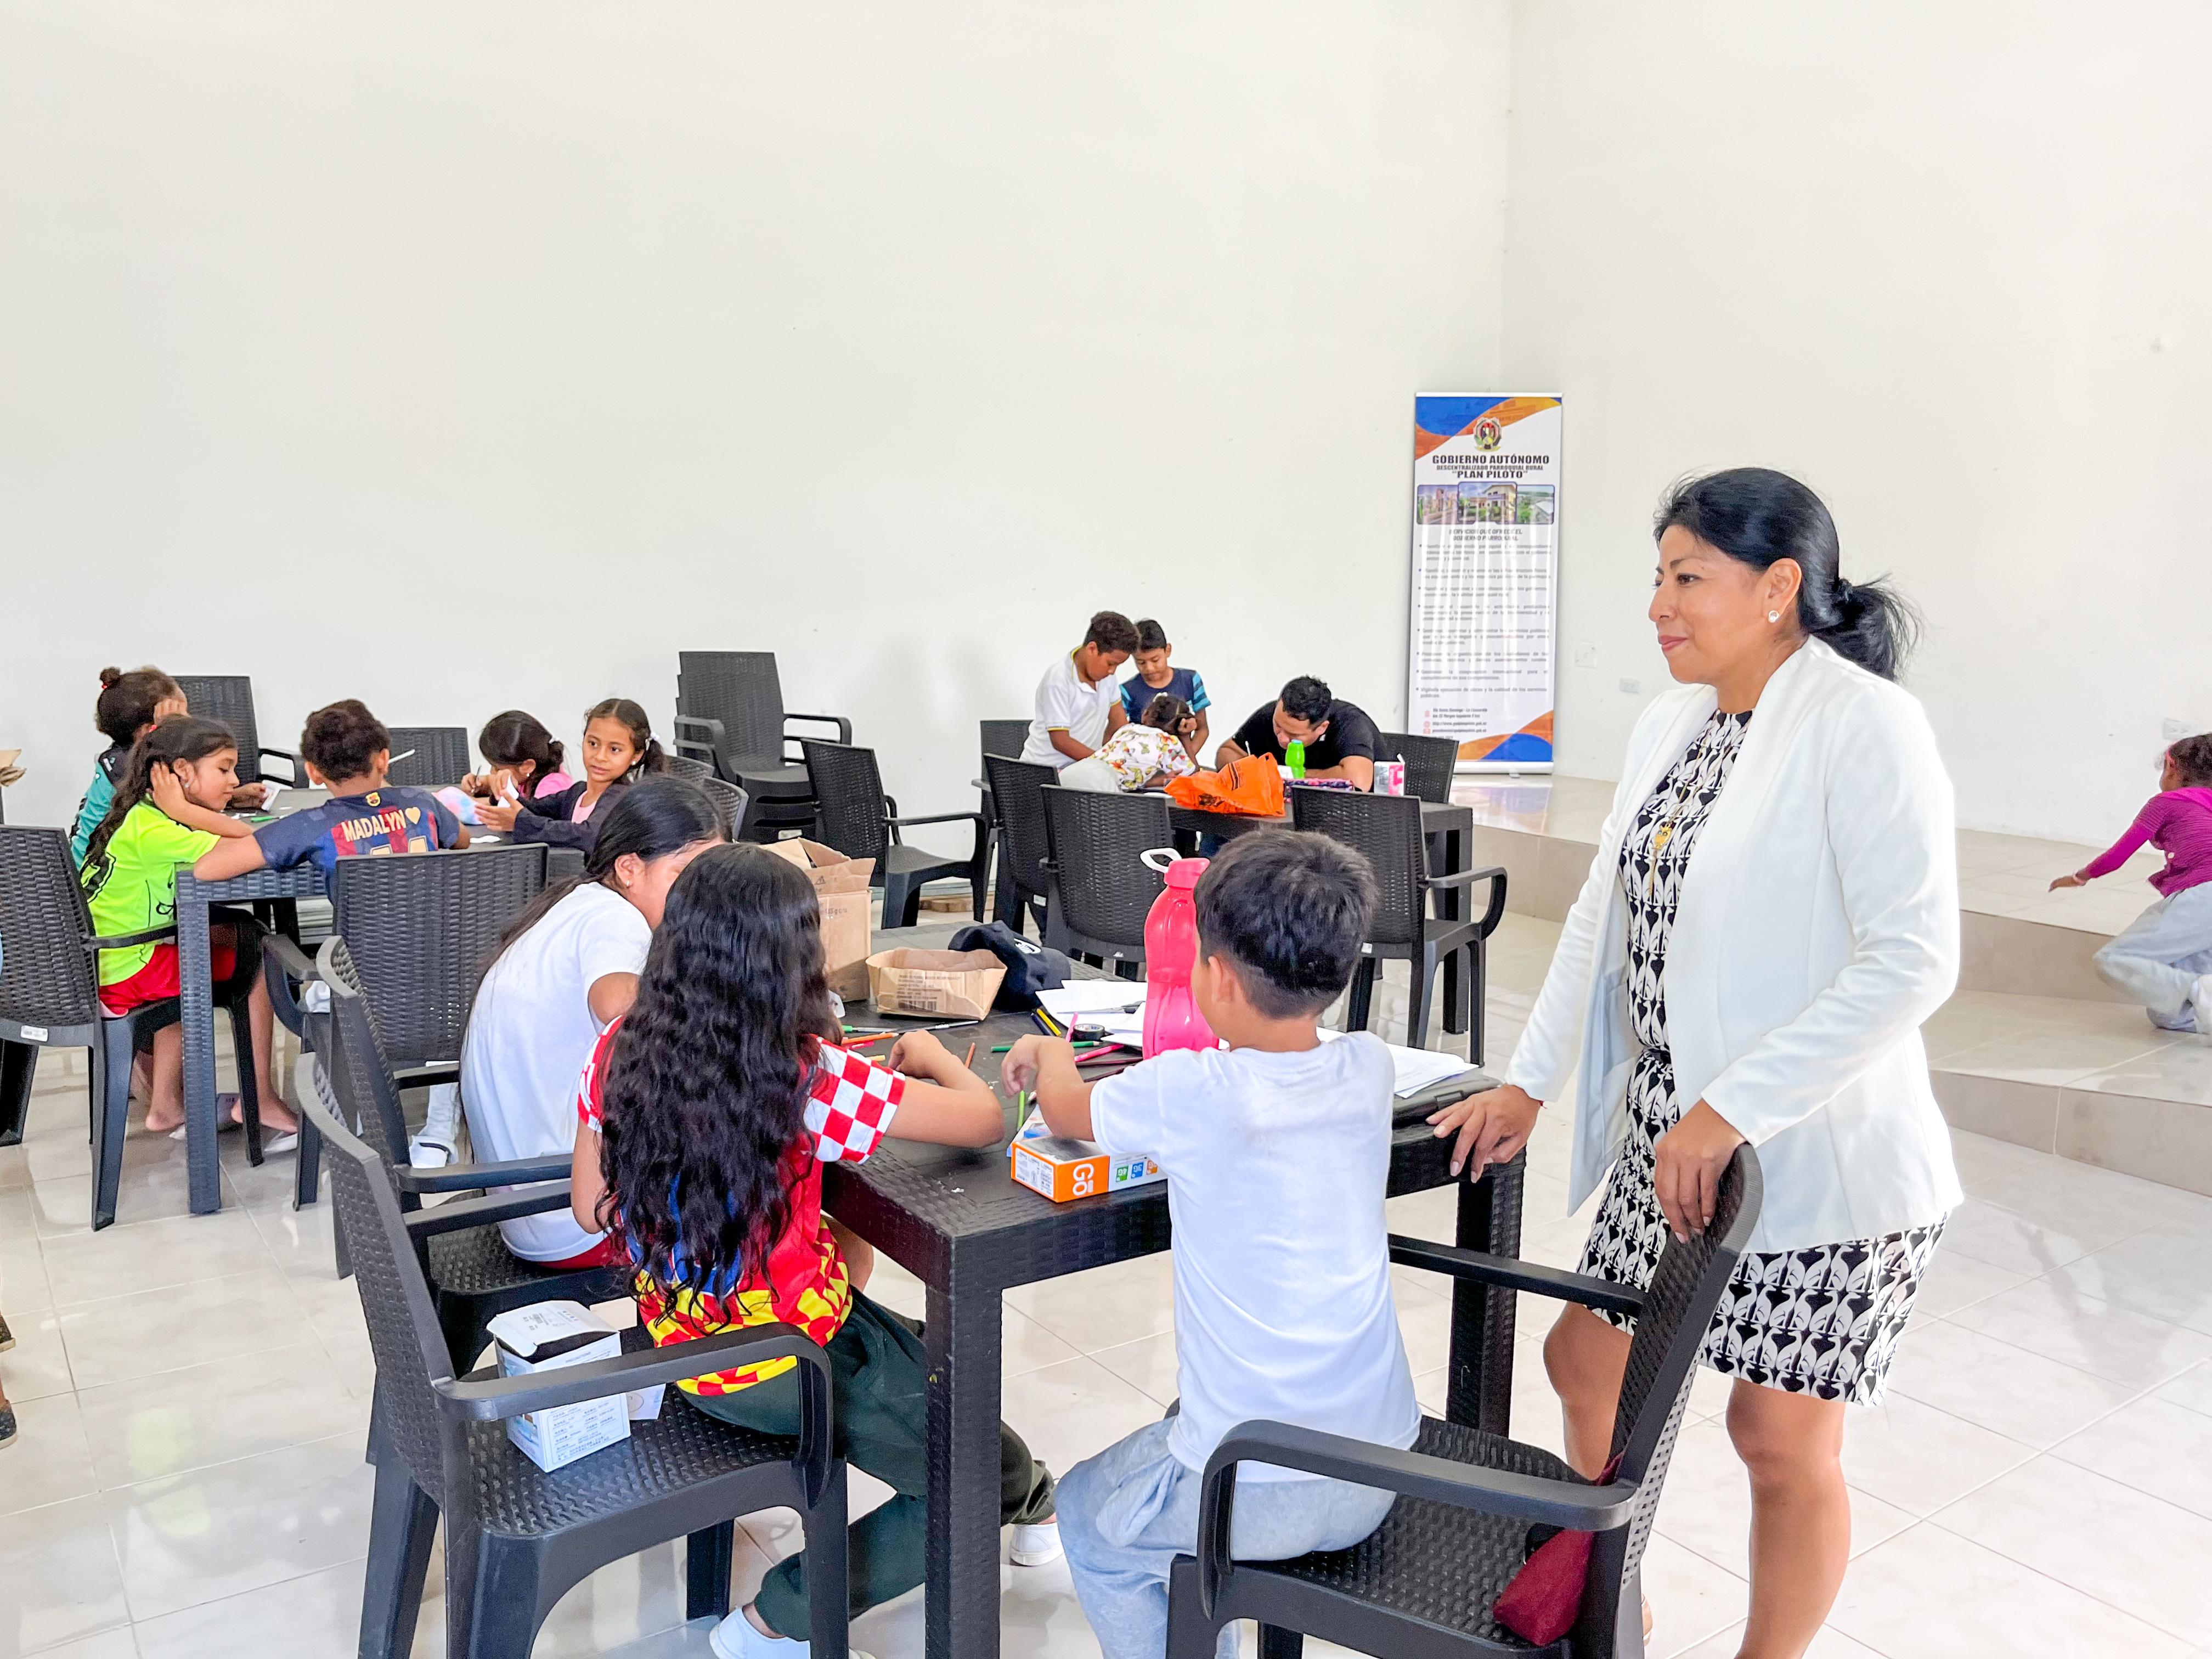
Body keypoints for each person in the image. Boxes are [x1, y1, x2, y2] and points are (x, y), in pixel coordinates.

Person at [1430, 468, 1959, 1659]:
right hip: (1673, 1138)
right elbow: (1599, 917)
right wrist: (1529, 1078)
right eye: (1658, 577)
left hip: (1814, 1150)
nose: (1658, 605)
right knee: (1584, 1360)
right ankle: (1620, 1604)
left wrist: (1734, 1106)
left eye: (1687, 578)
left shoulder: (1863, 724)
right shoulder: (1673, 724)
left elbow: (1914, 958)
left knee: (1778, 1439)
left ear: (1778, 588)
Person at [567, 847, 1058, 1659]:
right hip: (791, 1360)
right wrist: (936, 1056)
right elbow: (984, 1122)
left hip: (680, 1339)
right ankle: (775, 1621)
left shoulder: (619, 1046)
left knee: (933, 1367)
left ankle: (1037, 1500)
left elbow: (590, 1207)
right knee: (978, 1476)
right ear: (793, 958)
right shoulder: (810, 1077)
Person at [1007, 830, 1413, 1659]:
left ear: (1217, 977)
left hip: (1258, 1487)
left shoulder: (1194, 1089)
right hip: (1382, 1464)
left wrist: (1049, 1051)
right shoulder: (1368, 1065)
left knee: (1086, 1516)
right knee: (1173, 1429)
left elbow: (1068, 1112)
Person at [459, 777, 726, 1268]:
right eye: (685, 875)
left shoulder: (579, 901)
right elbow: (616, 1003)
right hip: (575, 1218)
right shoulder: (616, 922)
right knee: (798, 1212)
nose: (702, 895)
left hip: (525, 1199)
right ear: (629, 868)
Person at [80, 716, 296, 1143]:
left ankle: (166, 1106)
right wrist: (183, 810)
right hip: (127, 969)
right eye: (224, 769)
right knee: (262, 956)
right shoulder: (162, 828)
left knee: (233, 934)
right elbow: (254, 845)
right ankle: (261, 1097)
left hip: (108, 961)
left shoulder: (143, 815)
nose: (233, 781)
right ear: (181, 772)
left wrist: (186, 811)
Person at [193, 699, 466, 883]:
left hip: (361, 955)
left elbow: (205, 870)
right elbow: (461, 840)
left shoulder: (310, 825)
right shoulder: (422, 802)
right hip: (445, 948)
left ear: (313, 772)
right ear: (383, 759)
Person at [2052, 732, 2212, 1033]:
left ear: (2172, 767)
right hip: (2200, 901)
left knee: (2115, 959)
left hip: (2203, 895)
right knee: (2169, 1016)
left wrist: (2079, 877)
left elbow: (2118, 855)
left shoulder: (2167, 802)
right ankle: (2202, 997)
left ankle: (2200, 990)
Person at [478, 697, 667, 851]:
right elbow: (534, 809)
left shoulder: (621, 798)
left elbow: (588, 835)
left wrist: (521, 822)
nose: (600, 756)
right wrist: (506, 792)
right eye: (593, 744)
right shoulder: (577, 793)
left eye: (614, 749)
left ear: (636, 756)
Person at [71, 667, 187, 864]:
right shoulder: (130, 767)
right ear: (148, 730)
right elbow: (185, 808)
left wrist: (232, 796)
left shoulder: (126, 755)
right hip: (91, 875)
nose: (191, 722)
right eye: (182, 717)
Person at [1217, 675, 1381, 791]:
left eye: (1294, 736)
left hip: (1357, 817)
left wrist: (1294, 777)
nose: (1282, 739)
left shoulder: (1350, 724)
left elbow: (1359, 781)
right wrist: (1256, 773)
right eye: (1278, 726)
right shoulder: (1270, 714)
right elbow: (1226, 752)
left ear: (1322, 728)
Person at [1020, 611, 1139, 769]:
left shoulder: (1107, 677)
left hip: (1083, 767)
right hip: (1044, 771)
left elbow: (1118, 722)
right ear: (1092, 649)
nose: (1113, 671)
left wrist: (1116, 754)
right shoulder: (1058, 679)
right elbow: (1060, 741)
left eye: (1117, 666)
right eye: (1111, 664)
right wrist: (1103, 762)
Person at [1057, 694, 1201, 795]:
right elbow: (1192, 775)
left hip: (1072, 772)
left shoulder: (1128, 729)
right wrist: (1186, 737)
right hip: (1100, 784)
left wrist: (1156, 781)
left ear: (1145, 714)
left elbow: (1126, 772)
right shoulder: (1169, 743)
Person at [1110, 619, 1211, 753]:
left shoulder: (1191, 680)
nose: (1149, 668)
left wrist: (1183, 758)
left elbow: (1202, 729)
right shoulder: (1127, 692)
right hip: (1144, 761)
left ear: (1168, 650)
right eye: (1141, 662)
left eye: (1155, 660)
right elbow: (1119, 736)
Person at [461, 709, 576, 804]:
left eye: (497, 768)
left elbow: (525, 818)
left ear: (527, 766)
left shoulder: (553, 788)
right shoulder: (527, 777)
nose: (492, 772)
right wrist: (482, 784)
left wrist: (471, 803)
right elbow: (492, 782)